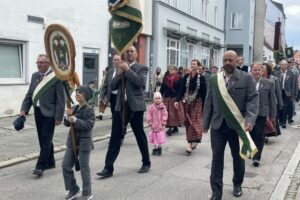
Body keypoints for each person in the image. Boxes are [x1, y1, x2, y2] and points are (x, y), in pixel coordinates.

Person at [203, 50, 259, 200]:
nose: (227, 63)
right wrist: (205, 123)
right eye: (225, 60)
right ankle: (216, 191)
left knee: (238, 157)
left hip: (237, 126)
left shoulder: (246, 78)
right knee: (216, 159)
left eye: (231, 60)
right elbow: (208, 101)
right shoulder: (215, 79)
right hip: (218, 126)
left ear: (236, 62)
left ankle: (237, 184)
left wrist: (250, 120)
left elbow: (253, 100)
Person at [96, 46, 151, 178]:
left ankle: (146, 162)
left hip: (135, 107)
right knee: (115, 136)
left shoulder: (142, 68)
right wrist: (119, 73)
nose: (129, 53)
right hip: (121, 107)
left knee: (139, 135)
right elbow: (113, 86)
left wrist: (127, 70)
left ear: (136, 54)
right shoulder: (120, 67)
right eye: (127, 51)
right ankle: (108, 168)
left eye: (132, 51)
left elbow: (139, 83)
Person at [20, 54, 66, 176]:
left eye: (41, 62)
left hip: (50, 113)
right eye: (38, 62)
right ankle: (50, 161)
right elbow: (30, 94)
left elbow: (61, 99)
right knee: (43, 139)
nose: (39, 65)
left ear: (48, 64)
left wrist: (59, 117)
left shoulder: (56, 77)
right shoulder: (35, 76)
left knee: (46, 138)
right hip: (38, 112)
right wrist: (24, 109)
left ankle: (40, 166)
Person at [62, 85, 95, 200]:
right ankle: (73, 188)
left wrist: (75, 120)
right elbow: (67, 124)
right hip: (72, 141)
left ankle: (87, 193)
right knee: (65, 166)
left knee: (84, 168)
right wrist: (67, 116)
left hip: (84, 143)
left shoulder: (89, 110)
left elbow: (89, 125)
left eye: (79, 92)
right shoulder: (75, 108)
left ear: (85, 95)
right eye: (76, 92)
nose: (76, 94)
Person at [176, 59, 207, 155]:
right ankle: (189, 143)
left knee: (195, 123)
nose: (192, 65)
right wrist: (177, 100)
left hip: (197, 102)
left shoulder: (201, 78)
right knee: (188, 123)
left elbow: (204, 92)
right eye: (191, 64)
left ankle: (194, 140)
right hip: (187, 102)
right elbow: (181, 88)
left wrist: (205, 106)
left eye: (194, 64)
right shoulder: (186, 76)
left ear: (198, 66)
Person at [250, 63, 276, 167]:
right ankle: (252, 151)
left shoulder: (269, 83)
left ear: (262, 71)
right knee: (250, 134)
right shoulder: (248, 82)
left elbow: (273, 100)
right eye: (255, 70)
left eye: (259, 70)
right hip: (249, 113)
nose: (257, 72)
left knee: (259, 135)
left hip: (262, 113)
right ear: (251, 71)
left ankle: (256, 158)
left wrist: (273, 114)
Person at [160, 65, 185, 136]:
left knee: (174, 114)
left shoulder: (179, 78)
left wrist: (178, 98)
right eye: (169, 69)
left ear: (176, 70)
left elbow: (181, 89)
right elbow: (162, 87)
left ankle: (173, 127)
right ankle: (170, 127)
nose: (170, 71)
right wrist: (159, 95)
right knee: (167, 113)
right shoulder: (166, 78)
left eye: (172, 69)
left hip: (175, 98)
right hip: (167, 98)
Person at [274, 59, 297, 128]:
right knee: (279, 107)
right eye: (282, 65)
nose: (283, 66)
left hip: (287, 93)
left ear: (287, 65)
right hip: (278, 92)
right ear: (280, 65)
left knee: (284, 107)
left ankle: (284, 122)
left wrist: (293, 95)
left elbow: (293, 85)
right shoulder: (276, 73)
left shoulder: (291, 73)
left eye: (284, 65)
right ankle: (280, 120)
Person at [262, 63, 283, 138]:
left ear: (267, 70)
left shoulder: (274, 79)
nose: (261, 70)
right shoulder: (257, 79)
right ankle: (263, 135)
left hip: (271, 103)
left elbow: (278, 93)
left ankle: (267, 135)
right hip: (261, 104)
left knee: (270, 120)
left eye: (263, 69)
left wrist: (280, 104)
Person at [99, 54, 122, 118]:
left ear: (121, 61)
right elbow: (105, 85)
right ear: (112, 61)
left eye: (118, 60)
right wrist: (102, 96)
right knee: (113, 113)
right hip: (111, 96)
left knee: (119, 114)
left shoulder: (123, 71)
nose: (116, 61)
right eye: (115, 60)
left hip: (120, 96)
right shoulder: (109, 71)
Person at [146, 92, 168, 156]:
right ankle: (155, 148)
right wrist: (150, 122)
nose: (158, 99)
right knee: (155, 137)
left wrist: (163, 122)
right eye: (156, 98)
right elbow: (148, 115)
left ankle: (160, 148)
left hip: (161, 125)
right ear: (153, 99)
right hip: (154, 125)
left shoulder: (163, 107)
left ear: (161, 99)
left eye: (159, 98)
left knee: (160, 137)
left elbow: (165, 115)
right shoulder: (151, 108)